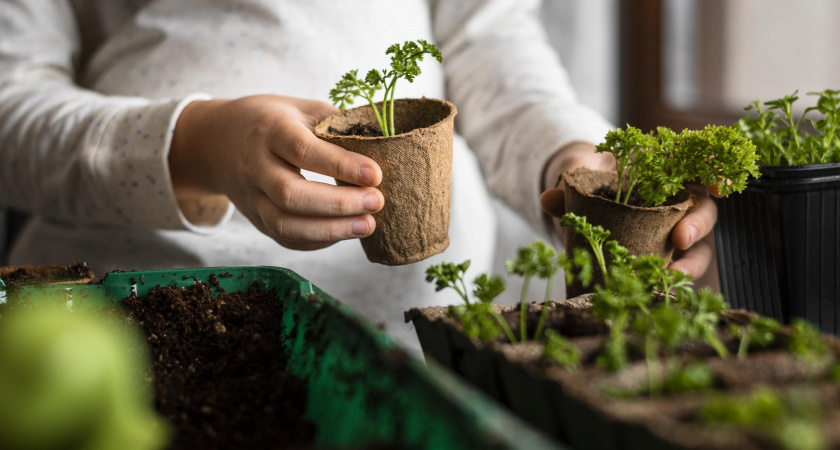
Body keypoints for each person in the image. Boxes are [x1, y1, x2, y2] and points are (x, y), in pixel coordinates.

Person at [0, 0, 717, 353]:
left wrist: (574, 163)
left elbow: (489, 42)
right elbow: (11, 105)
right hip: (124, 328)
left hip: (421, 337)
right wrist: (193, 145)